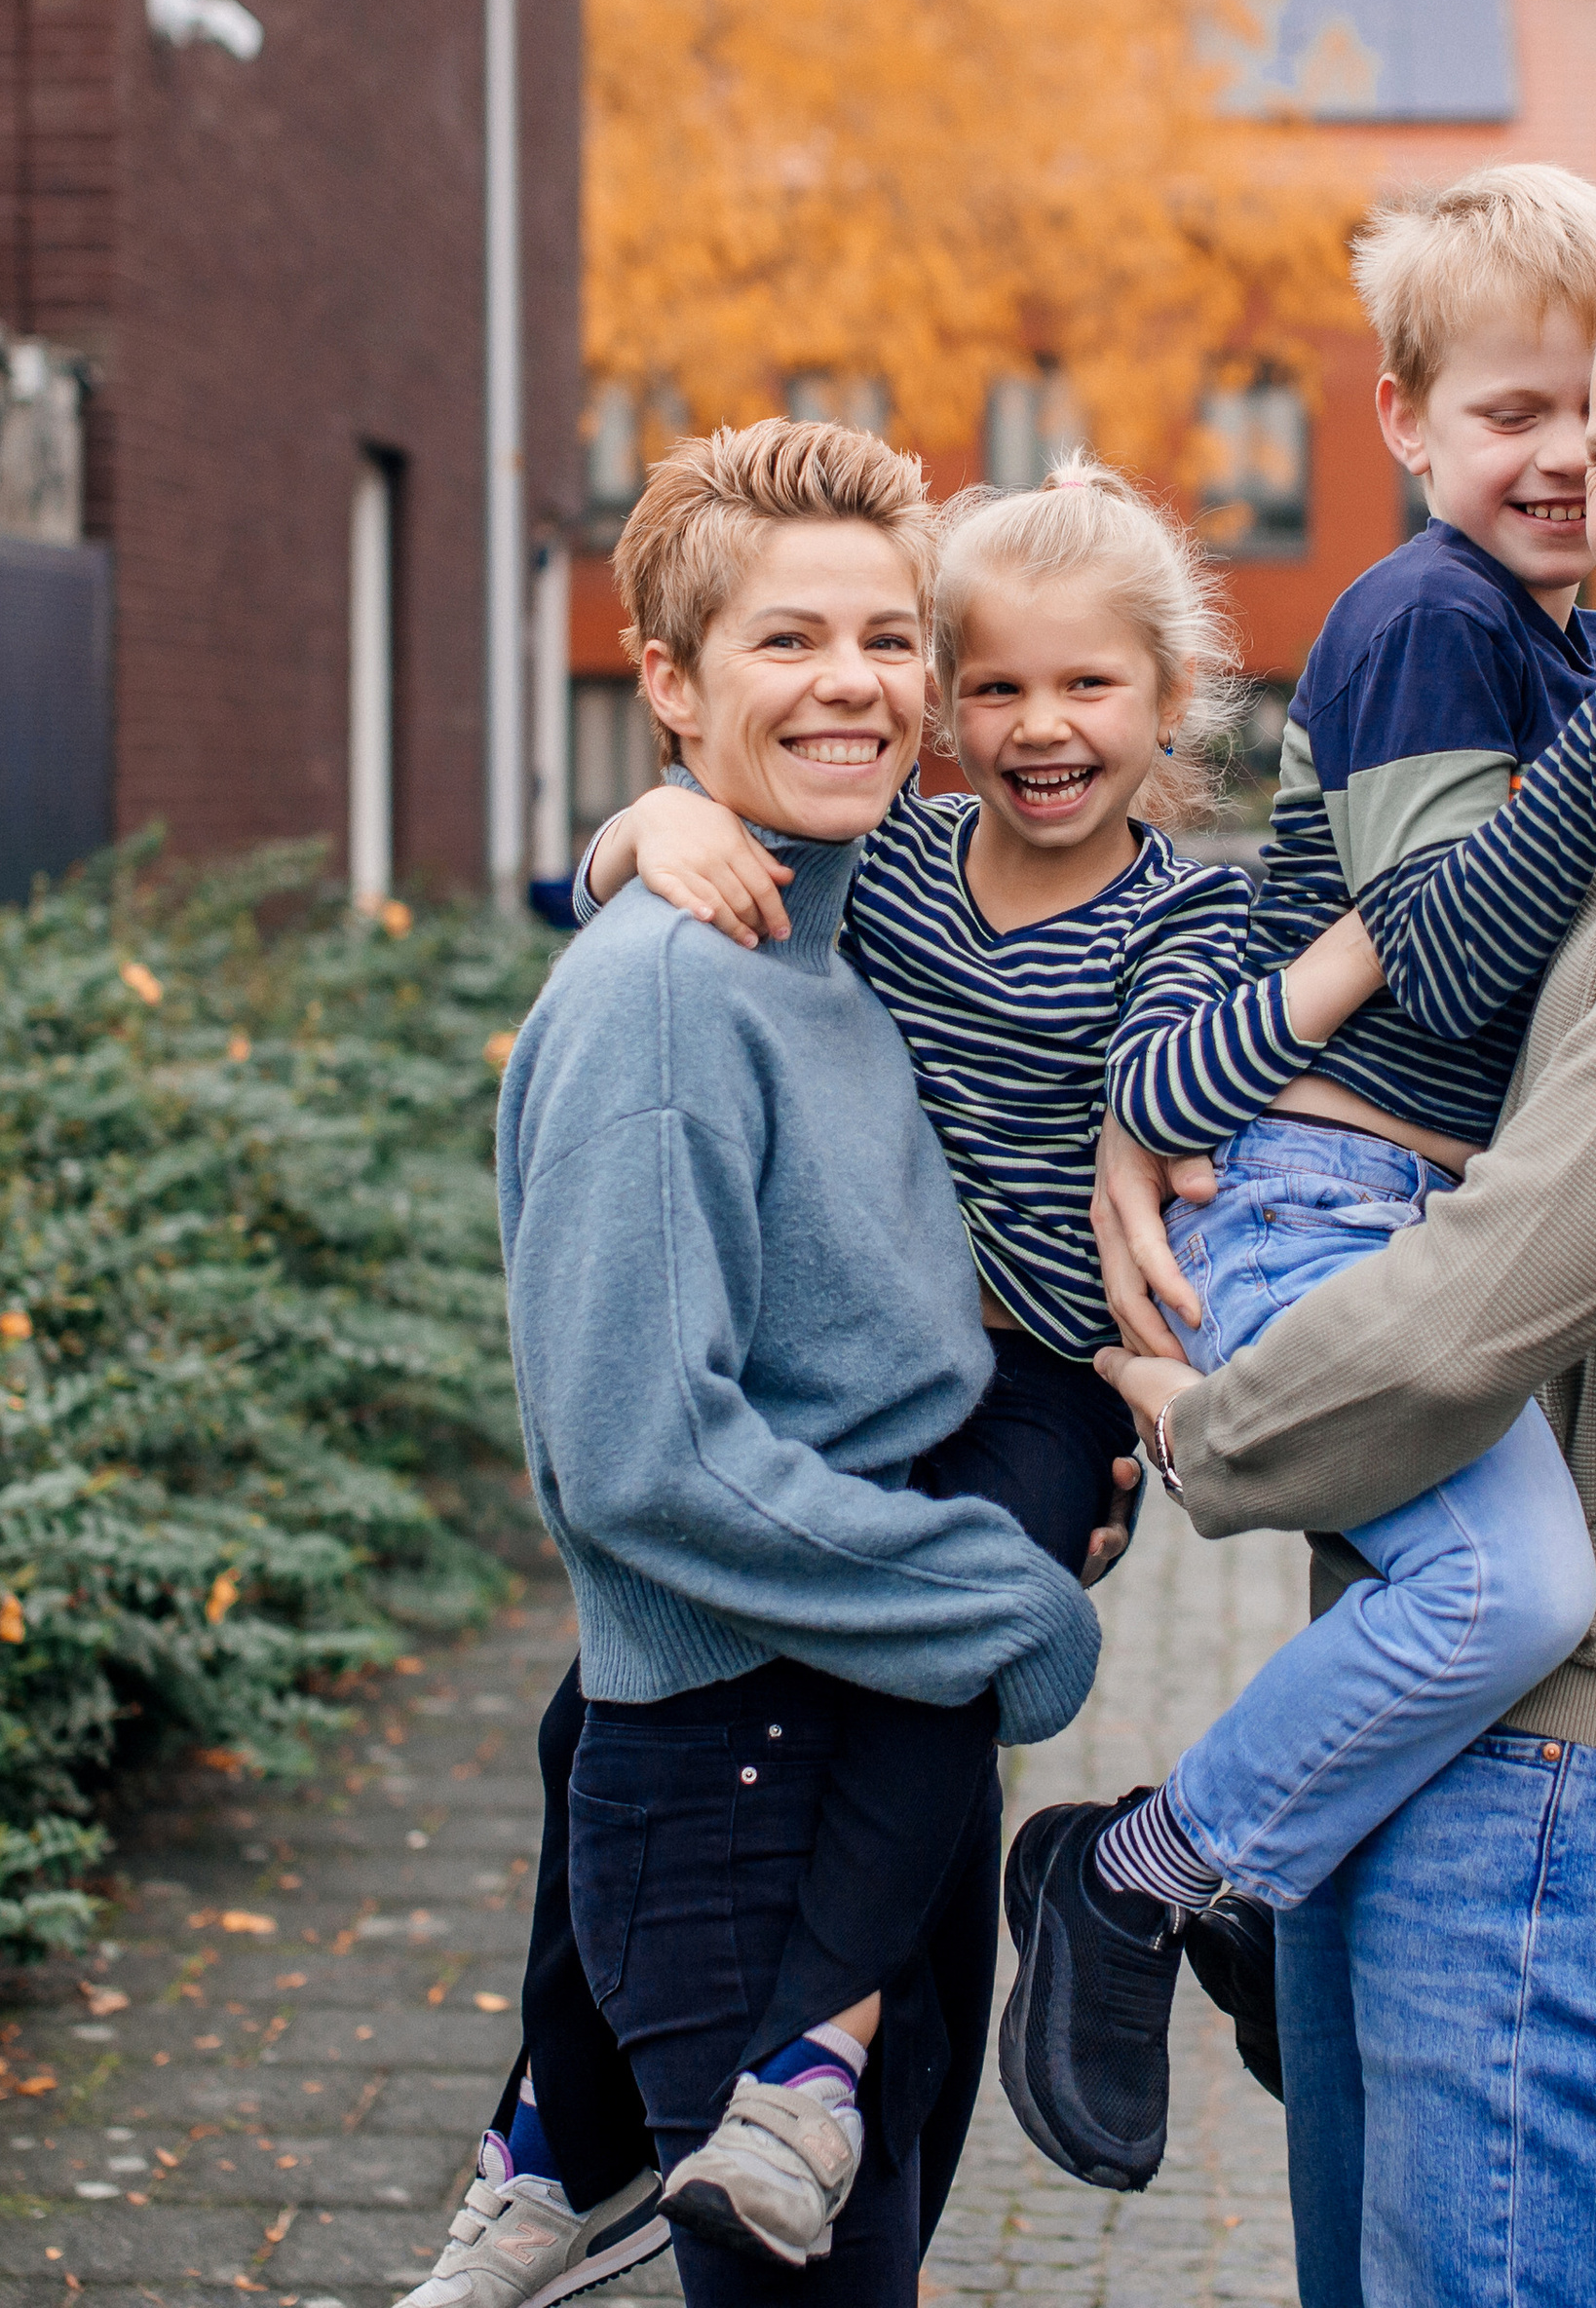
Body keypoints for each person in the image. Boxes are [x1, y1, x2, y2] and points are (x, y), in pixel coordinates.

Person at [993, 164, 1596, 2189]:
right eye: (1564, 430)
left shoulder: (1586, 641)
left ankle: (1213, 1864)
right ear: (1399, 423)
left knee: (1492, 1582)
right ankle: (1144, 1870)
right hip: (1324, 1198)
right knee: (1495, 1578)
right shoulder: (1430, 618)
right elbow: (1441, 937)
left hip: (1517, 1512)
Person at [408, 420, 1106, 2308]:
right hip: (742, 1766)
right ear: (667, 680)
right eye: (788, 641)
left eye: (888, 640)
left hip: (864, 1712)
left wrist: (639, 824)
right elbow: (639, 1454)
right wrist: (1003, 1596)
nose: (855, 685)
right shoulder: (662, 1000)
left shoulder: (821, 916)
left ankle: (544, 2163)